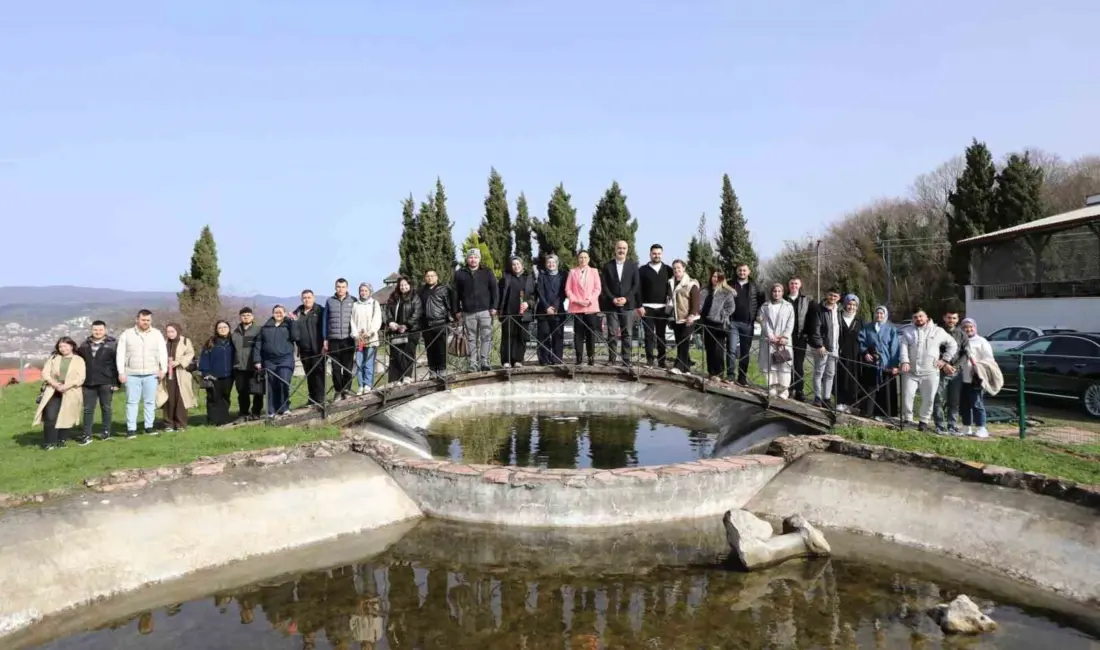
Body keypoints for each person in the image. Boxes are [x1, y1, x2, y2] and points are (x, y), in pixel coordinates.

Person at [899, 308, 958, 430]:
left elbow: (952, 344)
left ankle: (923, 421)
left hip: (930, 371)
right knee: (907, 396)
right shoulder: (908, 331)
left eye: (921, 316)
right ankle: (907, 419)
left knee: (929, 398)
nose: (918, 319)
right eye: (915, 317)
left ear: (927, 317)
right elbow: (903, 347)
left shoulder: (938, 331)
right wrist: (905, 361)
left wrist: (945, 360)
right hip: (911, 371)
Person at [116, 309, 168, 438]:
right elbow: (120, 354)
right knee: (132, 402)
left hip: (151, 373)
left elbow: (162, 352)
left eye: (148, 320)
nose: (145, 322)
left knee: (150, 402)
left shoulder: (157, 334)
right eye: (143, 320)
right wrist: (121, 372)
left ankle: (149, 427)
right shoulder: (127, 334)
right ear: (137, 319)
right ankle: (131, 429)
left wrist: (164, 369)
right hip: (132, 373)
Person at [34, 337, 87, 449]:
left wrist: (66, 386)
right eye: (60, 346)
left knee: (66, 416)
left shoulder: (79, 360)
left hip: (71, 391)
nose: (63, 349)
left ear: (71, 346)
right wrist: (55, 384)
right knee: (50, 416)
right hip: (53, 390)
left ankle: (61, 440)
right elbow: (45, 373)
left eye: (65, 346)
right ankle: (49, 442)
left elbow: (81, 378)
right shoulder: (54, 358)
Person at [453, 248, 498, 371]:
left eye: (476, 257)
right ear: (467, 259)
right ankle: (472, 363)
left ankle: (484, 362)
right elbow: (455, 293)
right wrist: (456, 310)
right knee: (471, 338)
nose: (473, 260)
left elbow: (494, 290)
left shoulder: (487, 272)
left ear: (479, 259)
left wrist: (494, 306)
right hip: (468, 312)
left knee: (486, 337)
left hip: (485, 311)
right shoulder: (460, 273)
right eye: (471, 257)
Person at [599, 240, 643, 366]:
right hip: (611, 304)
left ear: (627, 250)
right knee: (612, 333)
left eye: (624, 248)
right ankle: (612, 359)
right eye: (619, 248)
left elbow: (636, 285)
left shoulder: (633, 266)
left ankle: (626, 359)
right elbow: (605, 285)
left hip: (628, 305)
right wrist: (613, 298)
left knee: (627, 333)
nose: (621, 250)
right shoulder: (607, 266)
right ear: (615, 249)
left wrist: (626, 298)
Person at [253, 305, 298, 417]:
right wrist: (257, 360)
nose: (278, 314)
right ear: (273, 313)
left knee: (284, 382)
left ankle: (284, 408)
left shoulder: (289, 325)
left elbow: (296, 337)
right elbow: (258, 344)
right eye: (276, 312)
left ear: (285, 313)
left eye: (280, 312)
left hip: (285, 359)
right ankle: (271, 410)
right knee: (271, 385)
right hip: (269, 361)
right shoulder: (265, 327)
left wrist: (293, 322)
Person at [78, 320, 119, 441]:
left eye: (100, 330)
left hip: (106, 381)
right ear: (91, 330)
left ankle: (106, 432)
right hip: (88, 382)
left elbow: (117, 364)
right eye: (95, 330)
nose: (98, 332)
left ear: (105, 330)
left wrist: (117, 382)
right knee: (88, 409)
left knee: (106, 407)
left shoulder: (113, 345)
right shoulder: (84, 345)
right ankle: (87, 434)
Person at [858, 306, 901, 420]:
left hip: (886, 363)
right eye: (877, 313)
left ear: (885, 315)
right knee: (870, 387)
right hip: (871, 362)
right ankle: (867, 412)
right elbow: (861, 342)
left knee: (885, 388)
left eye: (881, 314)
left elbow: (895, 348)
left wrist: (894, 364)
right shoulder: (867, 328)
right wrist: (865, 352)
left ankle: (883, 414)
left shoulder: (891, 329)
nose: (879, 315)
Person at [933, 307, 968, 434]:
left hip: (956, 372)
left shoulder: (962, 334)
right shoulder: (937, 332)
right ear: (944, 318)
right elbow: (933, 351)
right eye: (949, 318)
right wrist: (944, 365)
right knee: (938, 398)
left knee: (954, 401)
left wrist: (956, 367)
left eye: (954, 318)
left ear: (957, 319)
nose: (951, 320)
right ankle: (939, 425)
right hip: (940, 371)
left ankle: (952, 425)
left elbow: (966, 354)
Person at [638, 244, 673, 368]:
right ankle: (649, 361)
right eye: (654, 253)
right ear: (650, 254)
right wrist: (639, 306)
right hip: (647, 307)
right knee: (648, 335)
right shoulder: (642, 270)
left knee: (661, 335)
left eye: (659, 253)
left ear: (662, 254)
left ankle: (662, 361)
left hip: (663, 308)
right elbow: (638, 289)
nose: (656, 256)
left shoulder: (669, 270)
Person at [729, 264, 764, 385]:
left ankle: (742, 377)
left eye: (744, 270)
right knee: (731, 349)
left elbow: (761, 302)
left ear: (749, 272)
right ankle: (730, 375)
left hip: (748, 323)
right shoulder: (730, 284)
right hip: (733, 322)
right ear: (736, 271)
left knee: (745, 352)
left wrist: (756, 316)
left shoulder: (754, 286)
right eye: (740, 270)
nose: (742, 272)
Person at [566, 250, 602, 366]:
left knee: (590, 333)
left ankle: (591, 357)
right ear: (578, 259)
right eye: (581, 257)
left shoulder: (594, 271)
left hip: (590, 307)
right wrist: (577, 300)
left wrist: (589, 300)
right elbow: (568, 289)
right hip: (577, 307)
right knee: (578, 334)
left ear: (589, 259)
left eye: (585, 257)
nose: (583, 259)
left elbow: (597, 288)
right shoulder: (572, 272)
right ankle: (579, 357)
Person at [759, 283, 795, 398]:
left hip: (783, 341)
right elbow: (763, 321)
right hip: (769, 340)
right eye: (775, 291)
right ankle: (772, 388)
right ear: (771, 292)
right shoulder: (765, 306)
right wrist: (770, 335)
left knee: (783, 366)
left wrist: (784, 336)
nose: (777, 293)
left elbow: (790, 323)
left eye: (779, 291)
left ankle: (783, 390)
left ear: (782, 293)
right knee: (770, 366)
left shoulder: (788, 306)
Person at [699, 271, 737, 380]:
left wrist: (721, 315)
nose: (715, 279)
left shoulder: (726, 292)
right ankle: (711, 372)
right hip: (707, 322)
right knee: (709, 347)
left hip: (719, 323)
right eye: (714, 276)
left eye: (718, 277)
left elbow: (731, 307)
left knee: (718, 349)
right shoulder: (705, 291)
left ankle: (719, 372)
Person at [291, 290, 326, 407]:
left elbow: (326, 328)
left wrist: (325, 344)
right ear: (302, 299)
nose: (307, 300)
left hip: (318, 349)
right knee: (309, 375)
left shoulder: (321, 311)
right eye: (304, 298)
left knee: (319, 375)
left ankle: (320, 400)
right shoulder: (297, 313)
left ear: (313, 298)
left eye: (309, 297)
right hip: (304, 350)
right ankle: (312, 398)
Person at [959, 318, 993, 438]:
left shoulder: (982, 341)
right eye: (965, 327)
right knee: (964, 404)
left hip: (975, 378)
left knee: (977, 403)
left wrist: (978, 367)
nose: (968, 329)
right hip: (961, 377)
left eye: (971, 327)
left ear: (975, 328)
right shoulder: (960, 340)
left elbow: (989, 358)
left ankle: (981, 427)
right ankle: (966, 426)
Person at [324, 278, 357, 400]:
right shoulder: (329, 301)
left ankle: (347, 390)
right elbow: (325, 320)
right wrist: (325, 338)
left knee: (348, 367)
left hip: (348, 339)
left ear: (347, 288)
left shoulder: (353, 300)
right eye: (338, 287)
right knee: (336, 368)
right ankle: (338, 391)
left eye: (343, 287)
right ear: (335, 287)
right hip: (334, 340)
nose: (341, 289)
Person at [499, 257, 535, 368]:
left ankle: (518, 360)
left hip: (524, 313)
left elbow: (534, 296)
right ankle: (506, 360)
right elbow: (499, 294)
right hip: (508, 312)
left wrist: (528, 303)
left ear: (522, 265)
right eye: (514, 264)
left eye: (518, 264)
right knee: (507, 336)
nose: (516, 266)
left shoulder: (529, 278)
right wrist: (498, 309)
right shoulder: (506, 277)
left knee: (521, 337)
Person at [808, 289, 841, 408]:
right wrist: (819, 345)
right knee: (819, 372)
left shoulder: (839, 311)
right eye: (831, 295)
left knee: (830, 374)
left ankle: (826, 398)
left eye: (835, 296)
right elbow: (815, 328)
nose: (832, 298)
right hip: (823, 347)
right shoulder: (819, 309)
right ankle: (817, 397)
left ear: (839, 298)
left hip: (834, 347)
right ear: (827, 295)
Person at [385, 276, 422, 383]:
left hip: (411, 330)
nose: (403, 287)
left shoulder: (415, 297)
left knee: (408, 354)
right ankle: (395, 379)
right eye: (401, 285)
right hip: (396, 331)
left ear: (409, 285)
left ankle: (407, 376)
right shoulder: (394, 297)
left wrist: (406, 325)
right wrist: (391, 322)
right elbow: (388, 311)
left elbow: (417, 313)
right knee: (395, 355)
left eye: (405, 285)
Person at [162, 323, 197, 432]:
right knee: (168, 398)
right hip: (168, 374)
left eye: (172, 331)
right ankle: (169, 424)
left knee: (181, 398)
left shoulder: (185, 341)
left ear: (177, 331)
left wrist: (178, 362)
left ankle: (181, 424)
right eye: (168, 332)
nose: (170, 334)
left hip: (181, 373)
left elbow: (190, 354)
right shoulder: (164, 342)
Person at [199, 320, 235, 426]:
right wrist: (205, 373)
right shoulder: (211, 342)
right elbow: (204, 358)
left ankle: (223, 420)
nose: (222, 329)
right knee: (213, 398)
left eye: (225, 327)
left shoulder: (233, 341)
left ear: (229, 329)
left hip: (229, 375)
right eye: (220, 328)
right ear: (216, 330)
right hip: (213, 376)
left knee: (225, 398)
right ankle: (213, 421)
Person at [667, 259, 700, 374]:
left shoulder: (691, 283)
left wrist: (692, 315)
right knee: (679, 342)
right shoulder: (670, 282)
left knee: (684, 342)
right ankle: (686, 367)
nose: (676, 270)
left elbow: (696, 301)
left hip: (688, 318)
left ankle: (679, 366)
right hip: (676, 318)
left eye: (678, 268)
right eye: (674, 268)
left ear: (684, 268)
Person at [350, 283, 383, 395]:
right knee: (359, 362)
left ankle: (368, 384)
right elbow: (352, 321)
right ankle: (360, 385)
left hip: (371, 339)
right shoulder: (355, 305)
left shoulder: (374, 304)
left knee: (368, 362)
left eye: (365, 291)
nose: (363, 293)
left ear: (370, 292)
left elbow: (377, 319)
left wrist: (371, 332)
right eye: (361, 290)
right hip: (359, 339)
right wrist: (355, 334)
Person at [419, 269, 453, 376]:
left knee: (441, 348)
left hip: (440, 322)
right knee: (430, 349)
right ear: (425, 278)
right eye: (428, 276)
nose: (430, 278)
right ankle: (432, 371)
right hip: (426, 324)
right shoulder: (421, 291)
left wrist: (450, 317)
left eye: (432, 275)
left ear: (437, 277)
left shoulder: (444, 289)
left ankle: (442, 370)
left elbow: (449, 304)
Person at [232, 307, 264, 420]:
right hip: (239, 367)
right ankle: (243, 413)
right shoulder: (235, 333)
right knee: (242, 392)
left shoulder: (259, 330)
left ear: (252, 316)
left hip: (254, 367)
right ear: (240, 317)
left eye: (248, 315)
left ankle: (256, 412)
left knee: (257, 392)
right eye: (243, 315)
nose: (246, 317)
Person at [535, 254, 568, 365]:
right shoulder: (542, 276)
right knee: (543, 335)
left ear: (557, 263)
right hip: (543, 311)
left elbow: (563, 293)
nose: (551, 264)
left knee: (557, 336)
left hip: (558, 311)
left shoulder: (563, 276)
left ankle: (556, 359)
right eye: (549, 262)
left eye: (553, 262)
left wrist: (555, 307)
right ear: (546, 264)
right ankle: (544, 359)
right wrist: (547, 307)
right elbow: (540, 292)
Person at [785, 277, 814, 401]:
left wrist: (807, 333)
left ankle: (799, 390)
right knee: (786, 363)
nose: (794, 286)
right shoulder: (784, 299)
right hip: (786, 336)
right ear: (788, 285)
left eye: (796, 283)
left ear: (800, 285)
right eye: (791, 283)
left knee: (798, 364)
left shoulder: (807, 300)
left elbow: (811, 318)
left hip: (800, 336)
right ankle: (787, 388)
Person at [834, 294, 865, 413]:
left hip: (855, 354)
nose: (851, 307)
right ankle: (839, 402)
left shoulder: (860, 321)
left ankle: (851, 404)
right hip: (840, 352)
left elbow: (864, 338)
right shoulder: (837, 317)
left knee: (853, 379)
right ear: (845, 304)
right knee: (840, 377)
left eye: (854, 305)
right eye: (849, 304)